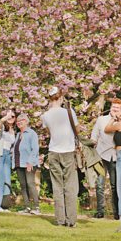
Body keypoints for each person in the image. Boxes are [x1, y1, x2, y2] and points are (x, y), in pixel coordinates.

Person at [41, 86, 79, 227]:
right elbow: (77, 130)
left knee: (57, 187)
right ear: (61, 97)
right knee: (70, 186)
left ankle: (60, 220)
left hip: (53, 151)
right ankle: (71, 220)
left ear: (50, 99)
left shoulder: (45, 116)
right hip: (68, 150)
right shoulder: (69, 112)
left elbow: (50, 132)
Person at [91, 98, 120, 219]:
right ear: (111, 107)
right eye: (114, 107)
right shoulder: (101, 120)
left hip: (115, 156)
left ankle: (117, 212)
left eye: (117, 108)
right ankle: (100, 211)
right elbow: (94, 135)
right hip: (101, 155)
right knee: (99, 184)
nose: (115, 109)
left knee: (114, 185)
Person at [12, 113, 40, 215]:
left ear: (26, 122)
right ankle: (27, 207)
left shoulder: (32, 133)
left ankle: (36, 207)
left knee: (30, 184)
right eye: (18, 121)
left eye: (21, 120)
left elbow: (35, 149)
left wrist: (30, 162)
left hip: (29, 163)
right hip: (19, 163)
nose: (19, 122)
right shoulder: (18, 134)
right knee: (23, 185)